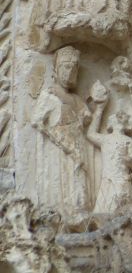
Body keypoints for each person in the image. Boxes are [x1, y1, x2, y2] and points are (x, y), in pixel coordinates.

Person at [31, 46, 91, 210]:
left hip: (76, 147)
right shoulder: (49, 95)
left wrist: (98, 106)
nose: (69, 72)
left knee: (77, 185)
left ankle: (78, 209)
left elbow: (87, 117)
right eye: (66, 67)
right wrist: (58, 138)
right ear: (56, 70)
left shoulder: (76, 99)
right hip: (58, 148)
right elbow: (37, 120)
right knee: (60, 181)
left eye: (73, 68)